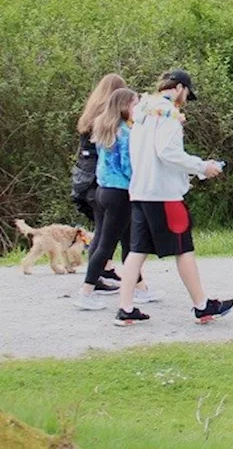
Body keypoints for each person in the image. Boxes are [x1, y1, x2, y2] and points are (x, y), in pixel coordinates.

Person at [115, 69, 233, 326]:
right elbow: (167, 152)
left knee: (136, 250)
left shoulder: (142, 110)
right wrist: (202, 167)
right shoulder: (168, 114)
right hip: (165, 194)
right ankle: (202, 305)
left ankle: (125, 307)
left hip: (141, 190)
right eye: (187, 94)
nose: (185, 100)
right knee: (184, 248)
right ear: (179, 87)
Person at [74, 88, 158, 311]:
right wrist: (145, 182)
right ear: (125, 106)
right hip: (120, 193)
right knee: (106, 245)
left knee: (130, 242)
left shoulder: (106, 128)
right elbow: (128, 167)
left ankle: (140, 289)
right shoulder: (125, 134)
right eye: (135, 104)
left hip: (103, 190)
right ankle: (86, 291)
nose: (138, 109)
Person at [73, 73, 128, 287]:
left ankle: (103, 270)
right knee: (105, 233)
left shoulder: (89, 115)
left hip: (84, 177)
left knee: (102, 229)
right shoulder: (106, 118)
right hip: (99, 178)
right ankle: (93, 279)